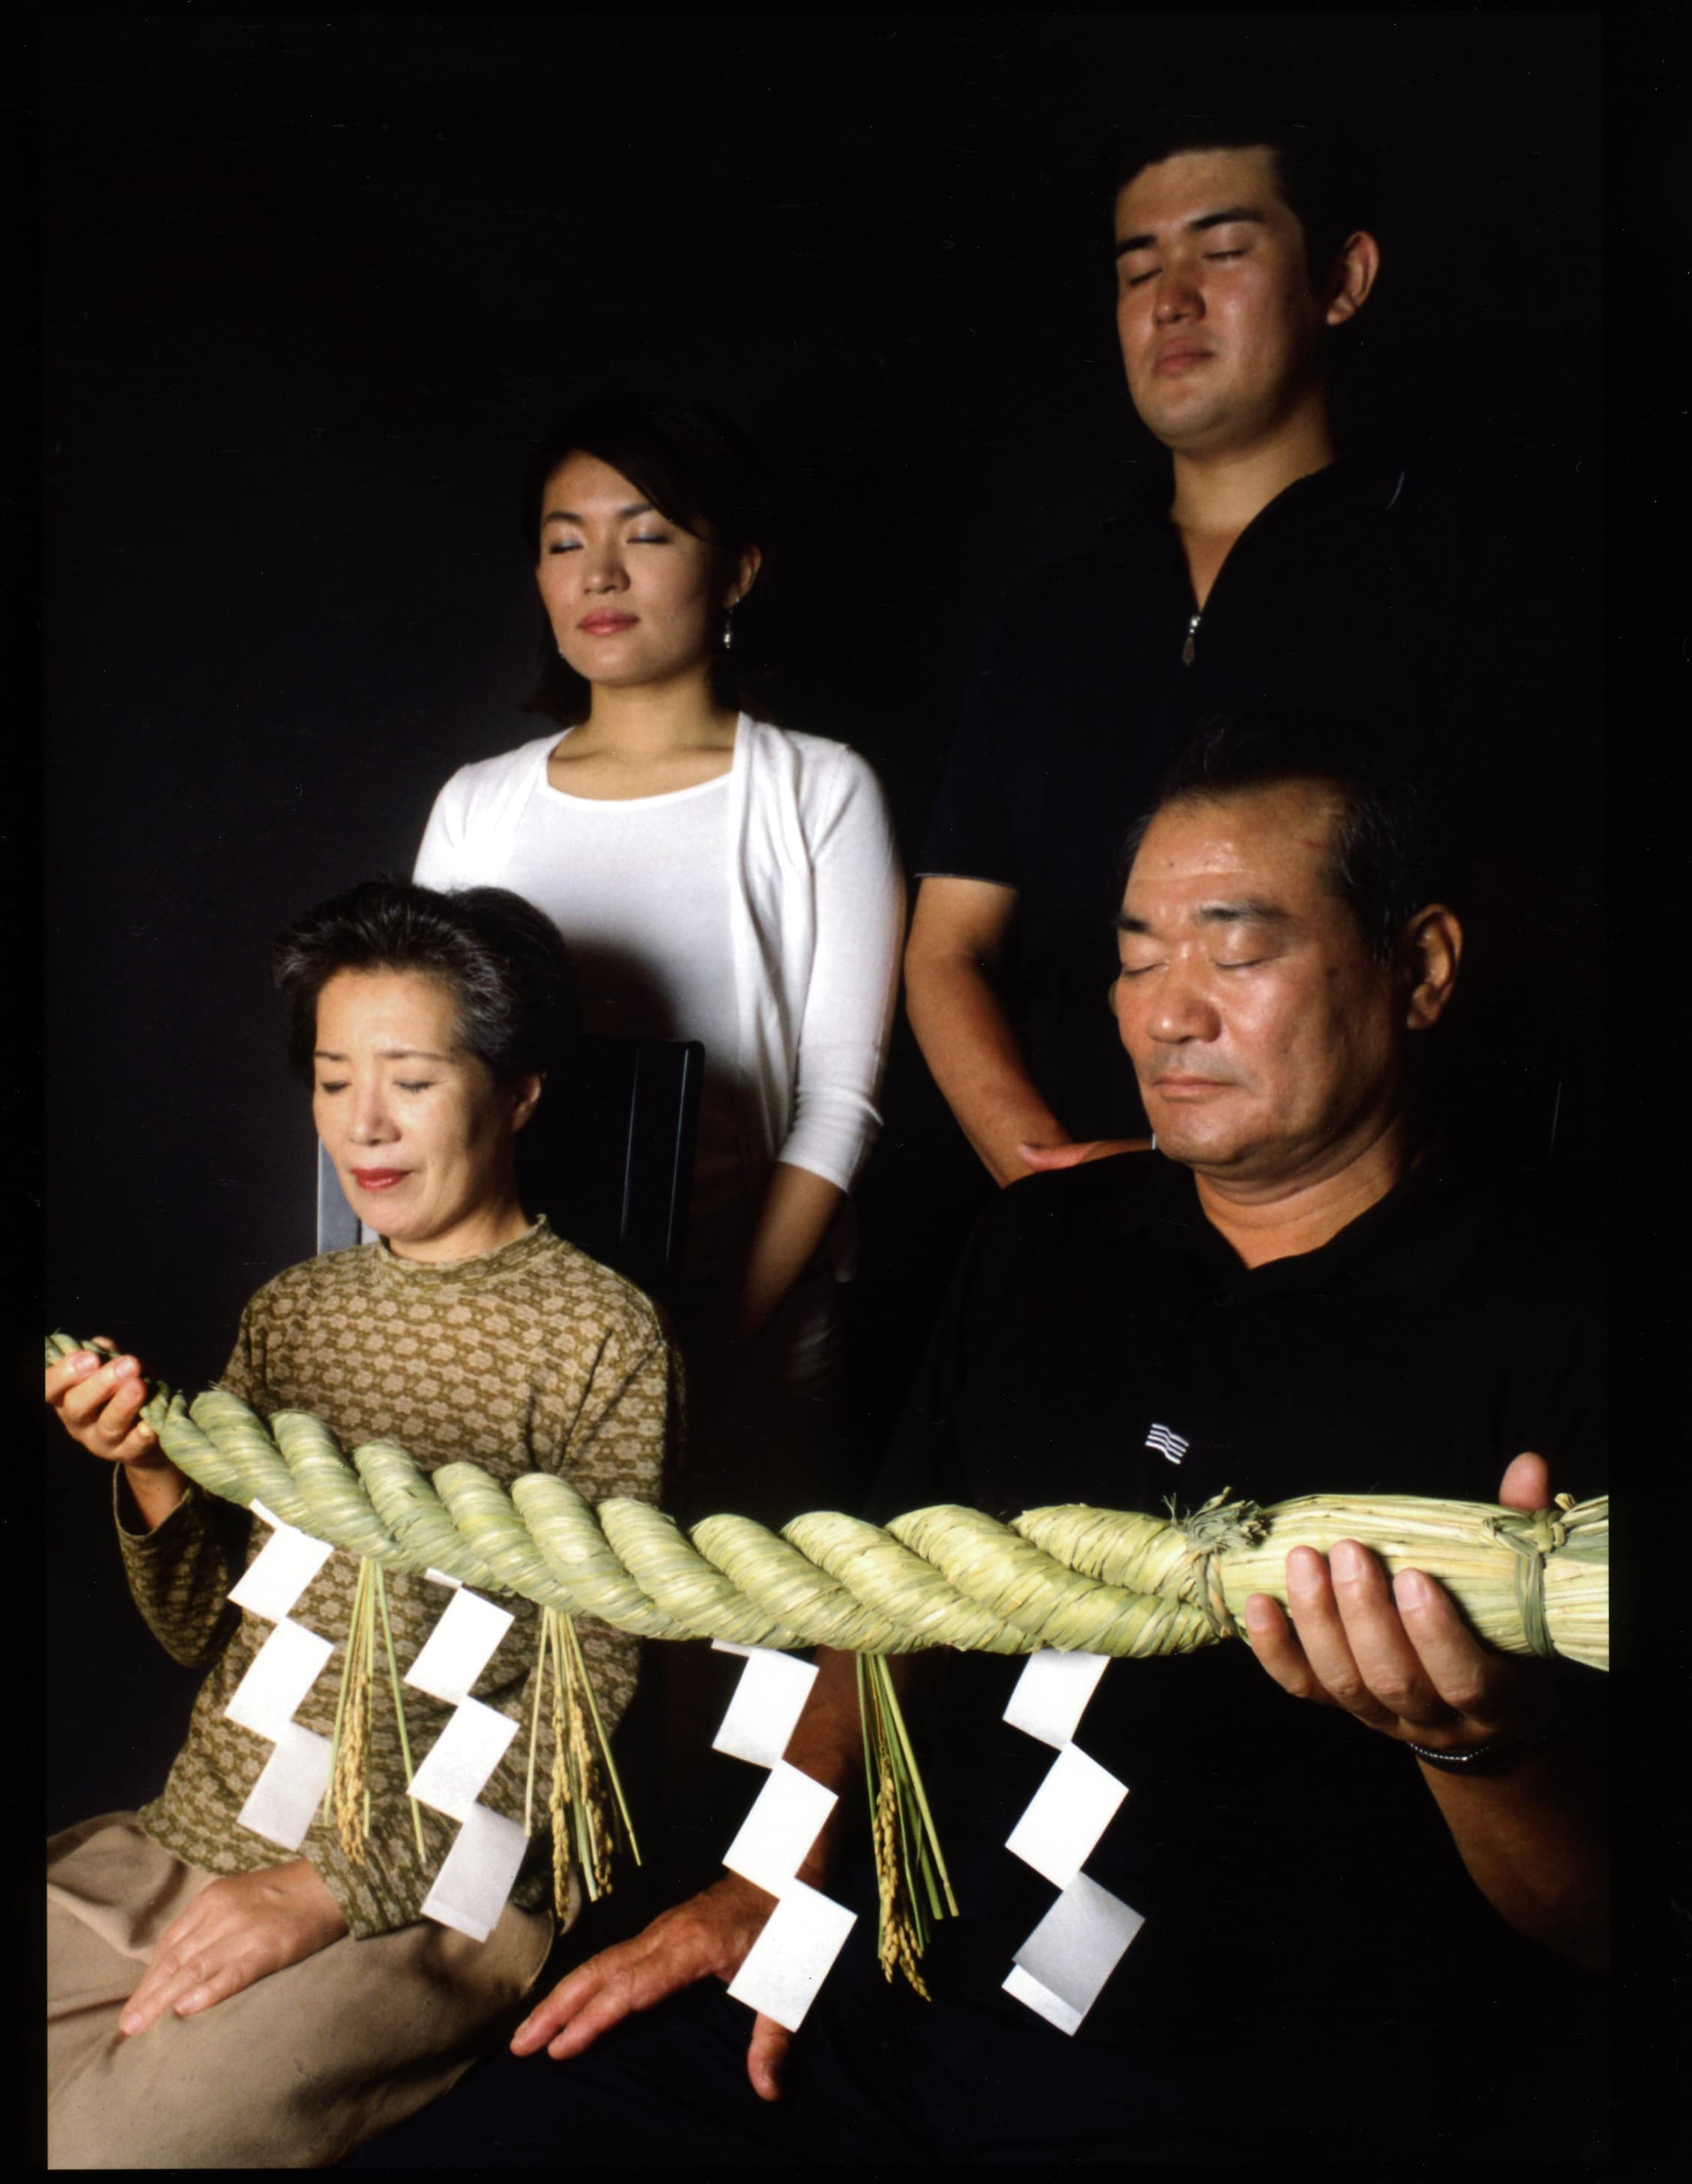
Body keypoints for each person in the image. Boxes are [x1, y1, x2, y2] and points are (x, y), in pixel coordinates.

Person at [488, 715, 1605, 2168]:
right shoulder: (1041, 1242)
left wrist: (1480, 1746)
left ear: (1423, 965)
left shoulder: (1564, 1323)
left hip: (1258, 2082)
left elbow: (1608, 1925)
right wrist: (770, 1878)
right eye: (1136, 957)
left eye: (1235, 951)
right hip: (896, 1984)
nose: (1165, 1014)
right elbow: (880, 1601)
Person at [43, 877, 677, 2169]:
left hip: (428, 1883)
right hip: (197, 1831)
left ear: (519, 1089)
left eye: (411, 1079)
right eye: (334, 1080)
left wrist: (328, 1886)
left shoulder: (602, 1334)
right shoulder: (293, 1310)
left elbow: (592, 1690)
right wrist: (150, 1468)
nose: (364, 1122)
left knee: (114, 2143)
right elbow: (201, 1630)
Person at [903, 91, 1597, 1193]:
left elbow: (1527, 921)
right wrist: (1052, 1181)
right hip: (1066, 1212)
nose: (1172, 300)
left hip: (1365, 1220)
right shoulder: (1046, 618)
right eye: (1139, 271)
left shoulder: (1469, 574)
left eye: (1223, 252)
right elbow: (949, 948)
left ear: (1343, 278)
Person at [414, 394, 905, 1533]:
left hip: (750, 1337)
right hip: (507, 1343)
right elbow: (419, 1067)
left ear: (737, 571)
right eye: (564, 541)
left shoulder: (818, 788)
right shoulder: (480, 804)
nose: (600, 572)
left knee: (739, 1631)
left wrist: (706, 1338)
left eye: (646, 533)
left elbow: (841, 1099)